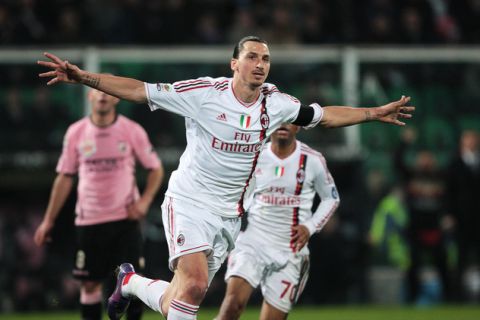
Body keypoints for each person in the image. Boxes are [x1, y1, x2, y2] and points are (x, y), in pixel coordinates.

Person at [37, 35, 414, 320]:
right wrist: (84, 77)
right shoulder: (204, 93)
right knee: (197, 284)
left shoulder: (276, 104)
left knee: (182, 298)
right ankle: (131, 283)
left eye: (266, 58)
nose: (260, 64)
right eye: (252, 56)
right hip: (188, 201)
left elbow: (325, 115)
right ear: (234, 63)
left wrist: (373, 112)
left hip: (228, 215)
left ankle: (130, 282)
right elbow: (139, 91)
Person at [33, 88, 164, 320]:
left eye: (106, 91)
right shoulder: (76, 132)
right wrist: (48, 221)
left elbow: (155, 168)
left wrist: (143, 203)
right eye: (97, 91)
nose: (102, 95)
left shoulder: (131, 130)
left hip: (126, 220)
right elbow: (64, 177)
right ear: (89, 97)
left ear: (115, 96)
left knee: (133, 283)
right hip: (90, 220)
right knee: (90, 285)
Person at [215, 123, 340, 320]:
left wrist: (310, 226)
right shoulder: (255, 156)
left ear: (298, 127)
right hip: (253, 242)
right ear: (270, 123)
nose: (283, 124)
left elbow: (331, 198)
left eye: (289, 119)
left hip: (290, 249)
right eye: (279, 118)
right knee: (232, 307)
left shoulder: (312, 160)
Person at [394, 129, 451, 303]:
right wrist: (404, 143)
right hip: (416, 228)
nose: (425, 161)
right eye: (422, 158)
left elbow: (450, 197)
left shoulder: (441, 176)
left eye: (428, 158)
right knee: (414, 265)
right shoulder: (411, 175)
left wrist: (448, 216)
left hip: (436, 227)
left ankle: (450, 297)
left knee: (442, 264)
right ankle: (412, 298)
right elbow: (397, 162)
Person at [446, 130, 480, 302]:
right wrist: (449, 214)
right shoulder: (455, 164)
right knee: (461, 258)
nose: (471, 142)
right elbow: (449, 192)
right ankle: (457, 296)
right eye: (468, 139)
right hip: (462, 219)